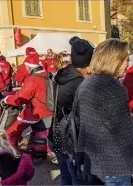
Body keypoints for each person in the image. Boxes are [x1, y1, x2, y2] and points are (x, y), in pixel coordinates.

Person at [73, 38, 133, 185]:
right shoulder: (115, 89)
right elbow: (125, 137)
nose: (128, 63)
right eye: (126, 59)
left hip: (92, 165)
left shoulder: (85, 84)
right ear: (115, 61)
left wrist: (80, 161)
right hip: (115, 168)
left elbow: (79, 127)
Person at [51, 37, 94, 185]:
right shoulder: (81, 83)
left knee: (66, 179)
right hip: (71, 140)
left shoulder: (62, 75)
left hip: (57, 134)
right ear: (87, 65)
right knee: (78, 180)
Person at [2, 54, 53, 147]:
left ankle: (13, 154)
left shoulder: (33, 79)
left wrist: (6, 99)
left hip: (36, 112)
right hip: (49, 110)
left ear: (29, 67)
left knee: (11, 133)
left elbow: (21, 98)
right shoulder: (47, 75)